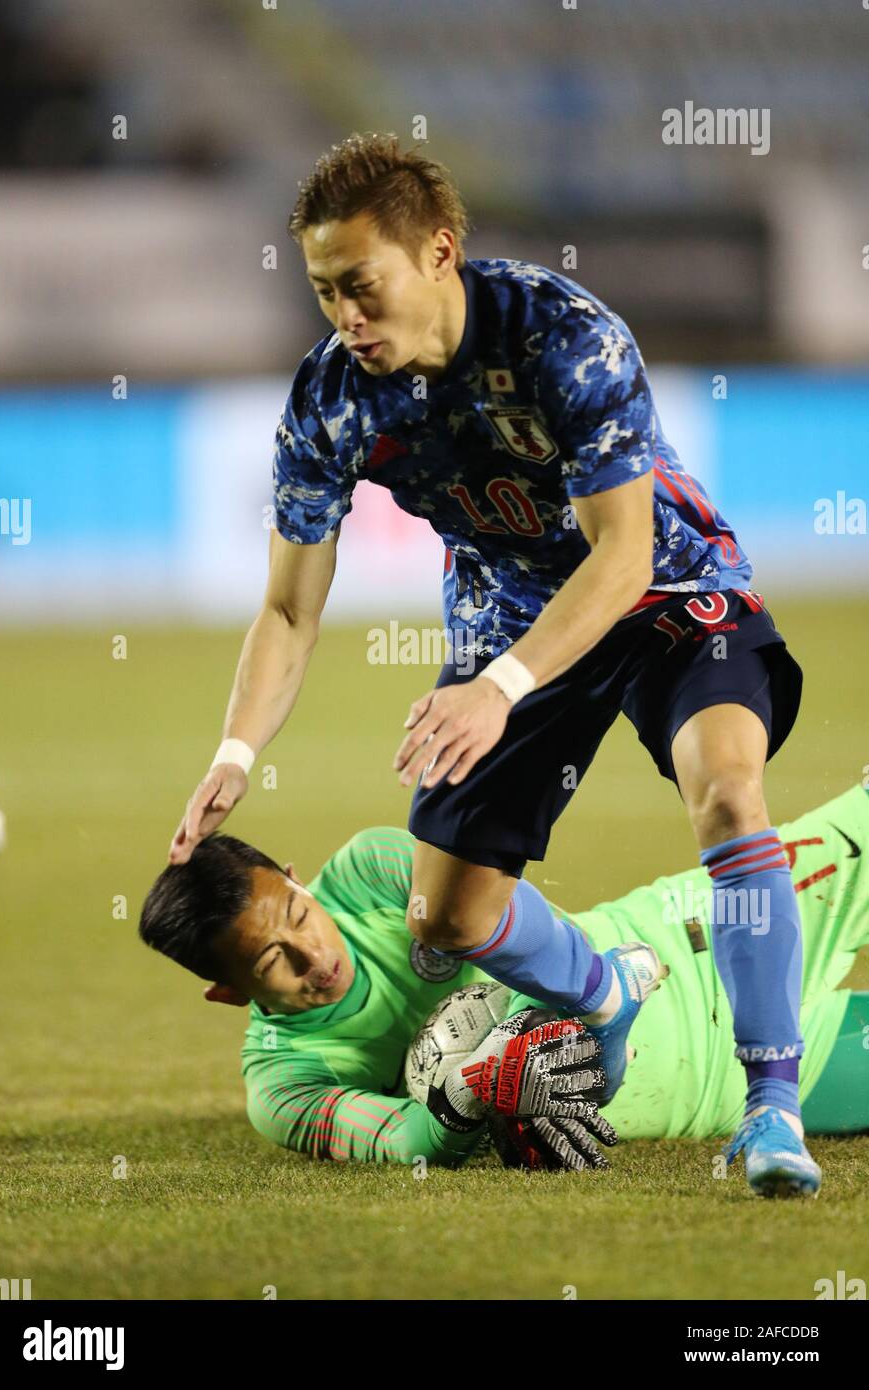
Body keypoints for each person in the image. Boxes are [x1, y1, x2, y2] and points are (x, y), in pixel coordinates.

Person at [169, 132, 816, 1195]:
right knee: (445, 919)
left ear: (438, 251)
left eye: (361, 287)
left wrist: (497, 689)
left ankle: (769, 1112)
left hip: (666, 592)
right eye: (325, 292)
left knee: (729, 796)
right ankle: (605, 996)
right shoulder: (330, 399)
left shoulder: (564, 337)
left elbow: (619, 557)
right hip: (506, 618)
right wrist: (237, 749)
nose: (345, 318)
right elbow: (288, 607)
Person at [148, 783, 869, 1187]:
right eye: (274, 962)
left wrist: (512, 1047)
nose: (312, 954)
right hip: (704, 1091)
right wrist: (474, 1087)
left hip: (691, 932)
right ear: (231, 993)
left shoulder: (371, 868)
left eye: (300, 914)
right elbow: (407, 1142)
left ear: (298, 878)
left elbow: (531, 929)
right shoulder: (283, 1085)